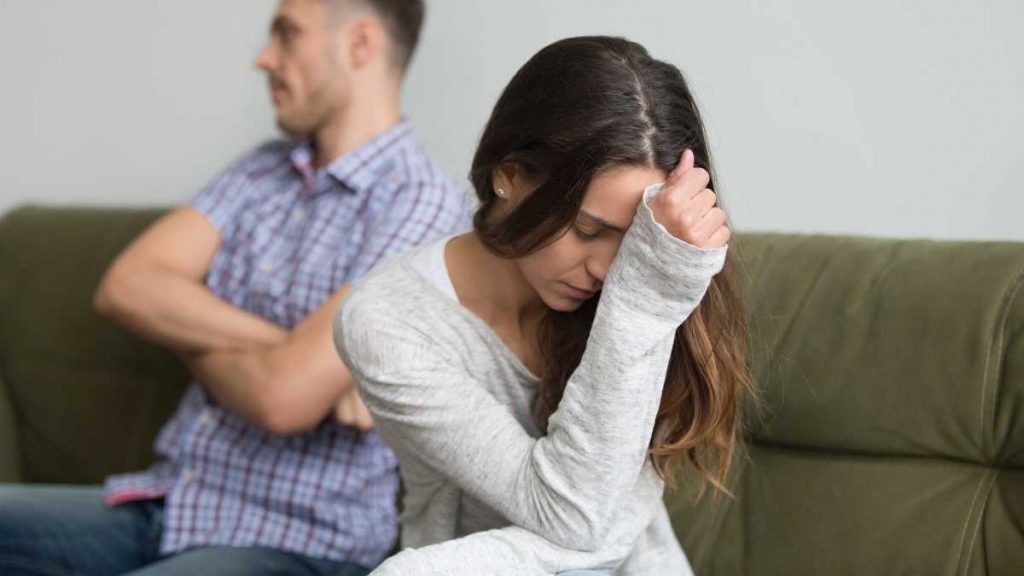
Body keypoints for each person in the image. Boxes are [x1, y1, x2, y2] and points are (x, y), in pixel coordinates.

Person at [0, 1, 470, 574]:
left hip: (294, 541)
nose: (263, 58)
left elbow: (282, 401)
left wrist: (182, 318)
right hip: (167, 501)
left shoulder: (422, 203)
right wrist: (291, 344)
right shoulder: (259, 170)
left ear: (361, 45)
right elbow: (126, 287)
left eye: (287, 34)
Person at [334, 36, 755, 575]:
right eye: (588, 230)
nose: (610, 271)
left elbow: (596, 523)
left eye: (635, 244)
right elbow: (575, 519)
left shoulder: (651, 282)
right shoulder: (388, 321)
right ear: (508, 177)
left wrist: (655, 282)